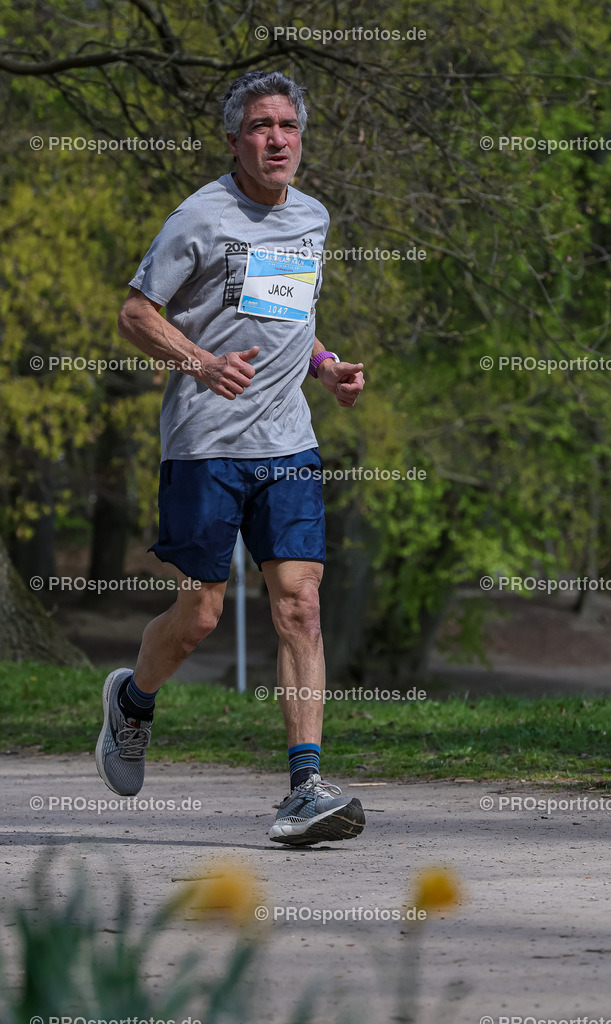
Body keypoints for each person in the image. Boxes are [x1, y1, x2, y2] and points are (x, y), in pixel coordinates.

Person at [95, 71, 366, 846]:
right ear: (233, 140)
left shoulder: (312, 217)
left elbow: (288, 316)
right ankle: (133, 702)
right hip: (204, 444)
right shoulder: (202, 217)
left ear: (300, 138)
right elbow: (135, 313)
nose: (275, 139)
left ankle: (303, 787)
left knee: (300, 606)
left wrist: (326, 368)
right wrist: (199, 361)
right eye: (259, 126)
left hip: (288, 441)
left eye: (287, 126)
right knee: (201, 614)